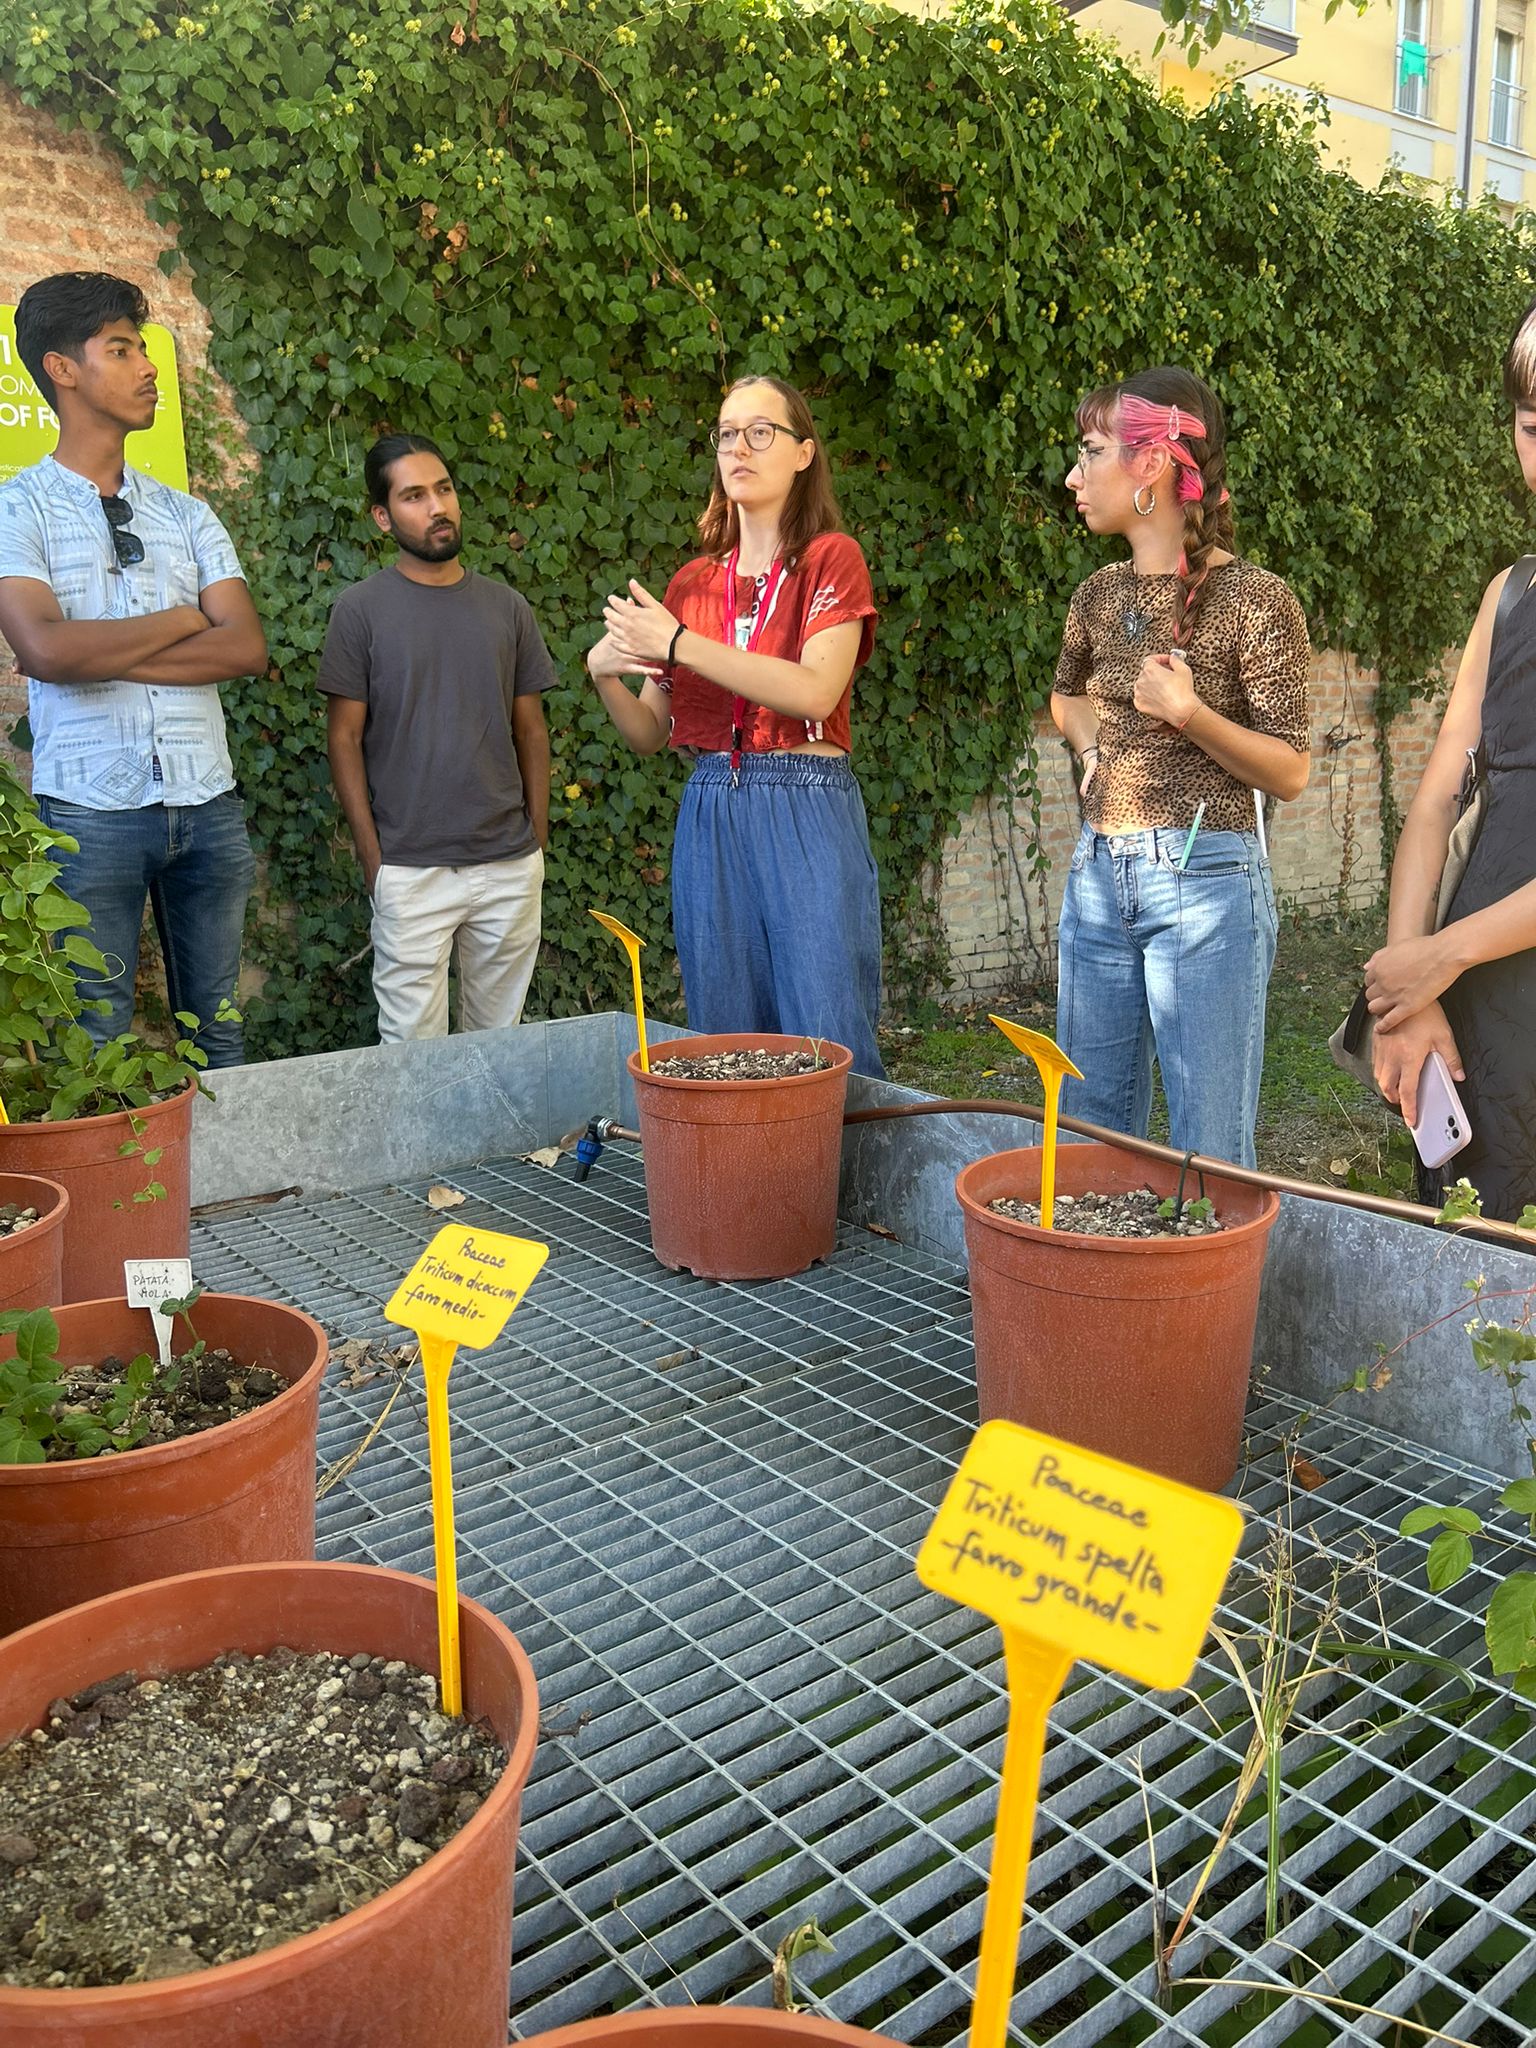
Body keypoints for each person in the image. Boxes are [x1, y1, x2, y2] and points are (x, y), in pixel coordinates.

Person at [0, 272, 266, 1065]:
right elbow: (44, 650)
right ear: (63, 369)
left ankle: (228, 1188)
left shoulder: (188, 514)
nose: (148, 367)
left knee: (218, 1028)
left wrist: (105, 645)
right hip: (88, 810)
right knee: (95, 1035)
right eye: (122, 349)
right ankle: (127, 1193)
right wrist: (187, 619)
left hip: (207, 800)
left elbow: (245, 647)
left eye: (144, 348)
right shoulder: (19, 507)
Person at [1049, 367, 1312, 1169]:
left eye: (1092, 451)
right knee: (1088, 1136)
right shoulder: (1097, 594)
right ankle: (1097, 1293)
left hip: (1207, 889)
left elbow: (1292, 770)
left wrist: (1191, 715)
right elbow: (1067, 700)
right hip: (1099, 881)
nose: (1073, 474)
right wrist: (1091, 750)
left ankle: (1206, 1298)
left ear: (1152, 466)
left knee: (1206, 1155)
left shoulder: (1259, 601)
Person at [586, 374, 885, 1076]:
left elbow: (815, 693)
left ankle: (843, 1186)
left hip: (807, 795)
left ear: (803, 452)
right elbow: (651, 732)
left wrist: (678, 644)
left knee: (827, 1023)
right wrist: (602, 674)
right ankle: (747, 1185)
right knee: (725, 1035)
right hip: (711, 801)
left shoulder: (829, 557)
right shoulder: (691, 584)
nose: (739, 448)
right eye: (727, 433)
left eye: (761, 432)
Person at [1366, 297, 1536, 1220]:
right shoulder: (1508, 595)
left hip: (1477, 956)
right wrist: (1409, 986)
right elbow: (1435, 802)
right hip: (1476, 1004)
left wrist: (1438, 956)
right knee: (1477, 1256)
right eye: (1535, 427)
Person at [319, 433, 554, 1042]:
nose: (437, 507)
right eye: (414, 496)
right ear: (382, 516)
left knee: (498, 1045)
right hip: (410, 869)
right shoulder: (360, 611)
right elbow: (343, 740)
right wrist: (375, 862)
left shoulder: (507, 607)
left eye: (443, 489)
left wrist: (536, 842)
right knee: (411, 1054)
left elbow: (530, 728)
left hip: (508, 866)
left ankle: (493, 1145)